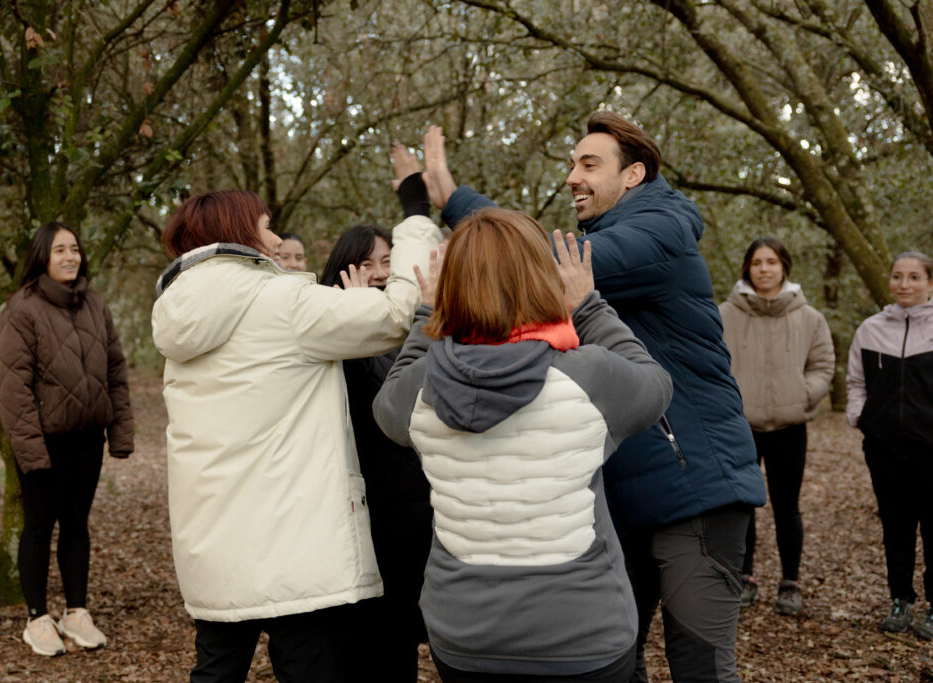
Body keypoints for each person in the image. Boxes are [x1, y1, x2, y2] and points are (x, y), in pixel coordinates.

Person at [423, 113, 766, 682]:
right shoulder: (615, 234)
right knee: (618, 660)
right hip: (624, 491)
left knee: (700, 667)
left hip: (694, 487)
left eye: (589, 164)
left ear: (633, 174)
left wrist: (457, 200)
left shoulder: (660, 229)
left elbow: (527, 262)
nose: (572, 178)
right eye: (571, 164)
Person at [151, 173, 442, 681]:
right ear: (239, 232)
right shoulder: (284, 302)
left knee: (216, 670)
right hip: (294, 547)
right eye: (266, 226)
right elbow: (398, 314)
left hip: (214, 545)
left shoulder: (178, 316)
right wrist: (415, 218)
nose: (276, 240)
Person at [373, 208, 672, 681]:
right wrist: (588, 306)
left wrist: (427, 314)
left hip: (464, 635)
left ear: (451, 285)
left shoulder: (418, 388)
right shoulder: (590, 375)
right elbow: (656, 386)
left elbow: (388, 403)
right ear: (540, 277)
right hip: (583, 634)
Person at [0, 221, 134, 657]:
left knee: (76, 527)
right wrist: (31, 452)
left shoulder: (95, 305)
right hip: (44, 442)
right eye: (59, 250)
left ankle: (76, 612)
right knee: (38, 529)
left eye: (74, 249)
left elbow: (115, 370)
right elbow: (13, 388)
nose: (70, 257)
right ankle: (37, 619)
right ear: (42, 257)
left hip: (88, 440)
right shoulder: (22, 310)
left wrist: (120, 432)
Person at [320, 221, 432, 679]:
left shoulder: (415, 327)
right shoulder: (329, 331)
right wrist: (357, 314)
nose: (381, 273)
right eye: (366, 264)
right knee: (363, 637)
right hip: (357, 502)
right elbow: (375, 396)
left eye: (388, 261)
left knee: (399, 635)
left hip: (409, 502)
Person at [718, 238, 834, 615]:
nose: (764, 269)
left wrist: (803, 395)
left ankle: (790, 583)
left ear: (784, 267)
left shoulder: (809, 318)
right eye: (757, 262)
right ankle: (744, 576)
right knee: (742, 506)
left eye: (771, 262)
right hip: (740, 427)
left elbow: (823, 365)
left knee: (787, 508)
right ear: (747, 268)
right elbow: (711, 365)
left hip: (789, 428)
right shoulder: (724, 315)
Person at [847, 251, 933, 640]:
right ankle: (901, 600)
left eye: (914, 277)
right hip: (885, 450)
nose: (904, 284)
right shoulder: (870, 330)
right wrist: (861, 416)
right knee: (896, 527)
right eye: (898, 276)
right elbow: (855, 382)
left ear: (929, 283)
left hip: (930, 451)